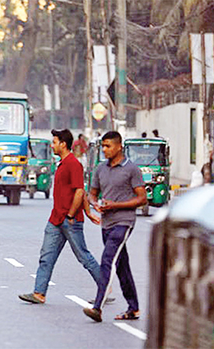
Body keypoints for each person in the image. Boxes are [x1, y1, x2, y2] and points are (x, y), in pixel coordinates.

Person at [18, 129, 101, 305]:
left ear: (63, 144)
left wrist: (75, 214)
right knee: (46, 256)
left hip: (70, 220)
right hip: (56, 219)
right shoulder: (62, 163)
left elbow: (80, 191)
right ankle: (39, 293)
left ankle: (104, 285)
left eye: (54, 142)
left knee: (84, 257)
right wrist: (86, 212)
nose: (52, 145)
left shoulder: (73, 164)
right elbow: (80, 192)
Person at [83, 131, 147, 323]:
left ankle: (97, 308)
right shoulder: (100, 169)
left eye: (108, 146)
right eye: (103, 146)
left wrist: (115, 205)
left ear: (119, 146)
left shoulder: (132, 169)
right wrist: (95, 204)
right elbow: (92, 193)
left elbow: (142, 199)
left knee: (108, 260)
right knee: (121, 266)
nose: (105, 150)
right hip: (107, 223)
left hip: (124, 222)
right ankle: (133, 308)